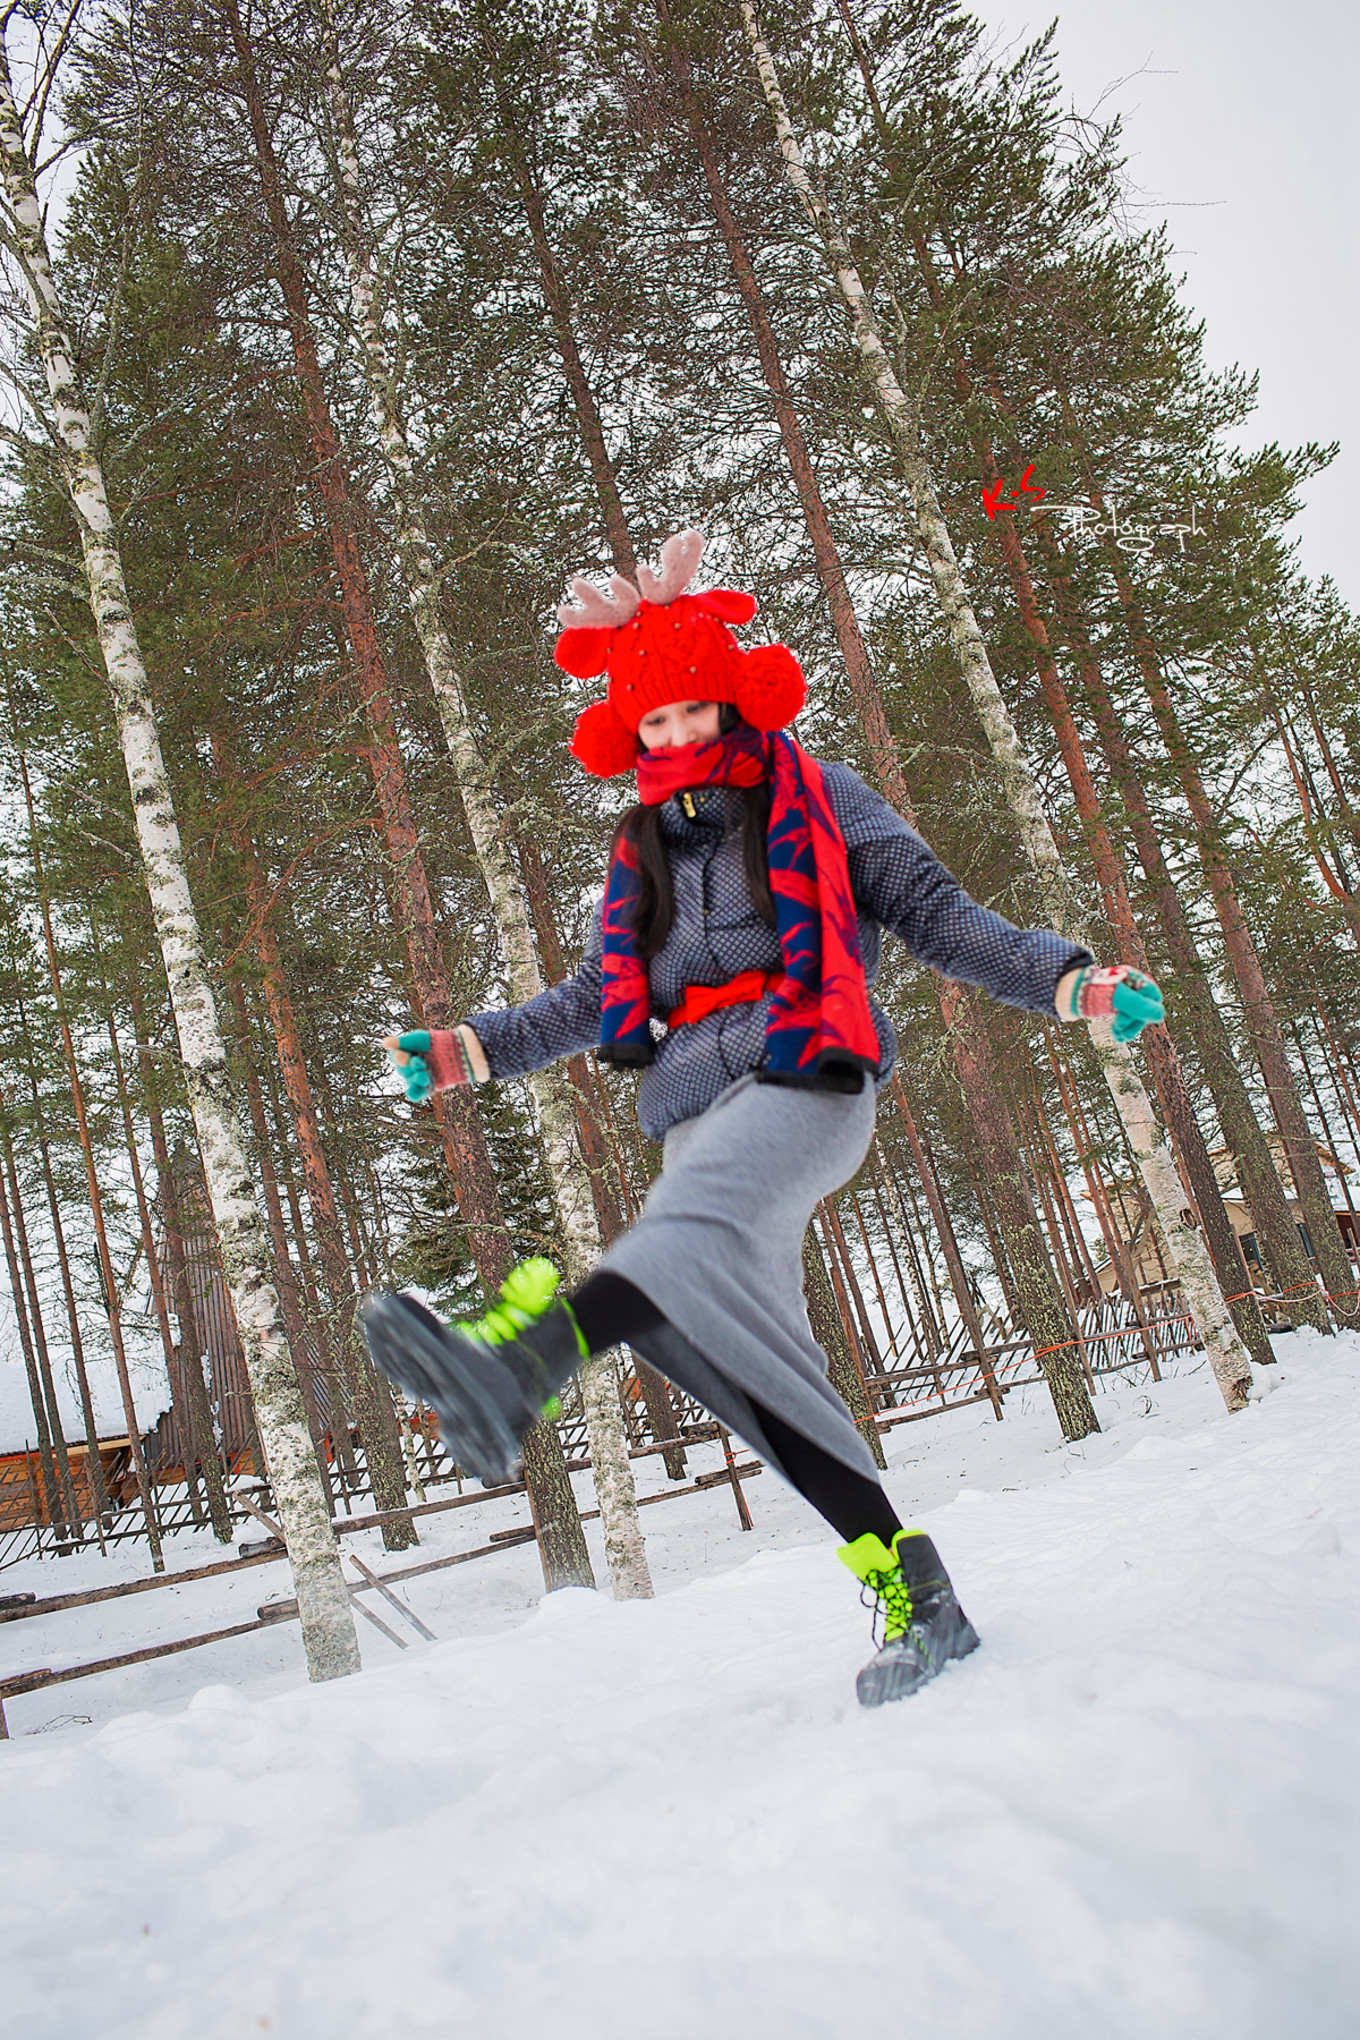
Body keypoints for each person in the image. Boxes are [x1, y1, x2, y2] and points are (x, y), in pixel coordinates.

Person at [361, 530, 1164, 1707]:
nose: (679, 739)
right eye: (656, 723)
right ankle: (918, 1595)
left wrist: (1066, 979)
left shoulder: (820, 795)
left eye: (693, 711)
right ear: (627, 735)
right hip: (696, 1106)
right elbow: (595, 999)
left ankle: (517, 1370)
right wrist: (470, 1046)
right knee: (744, 1361)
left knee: (671, 1244)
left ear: (732, 695)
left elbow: (934, 916)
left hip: (808, 1080)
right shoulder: (638, 853)